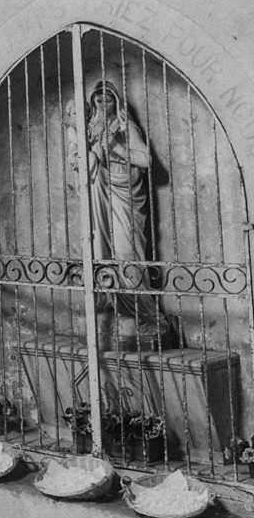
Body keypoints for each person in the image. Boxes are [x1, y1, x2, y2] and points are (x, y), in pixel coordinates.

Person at [67, 79, 165, 347]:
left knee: (127, 254)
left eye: (108, 98)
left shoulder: (125, 126)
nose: (102, 103)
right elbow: (79, 164)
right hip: (98, 197)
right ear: (92, 103)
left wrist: (116, 146)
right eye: (98, 99)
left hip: (125, 198)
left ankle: (145, 316)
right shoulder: (87, 129)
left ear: (117, 102)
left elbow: (146, 160)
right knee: (99, 254)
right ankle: (110, 315)